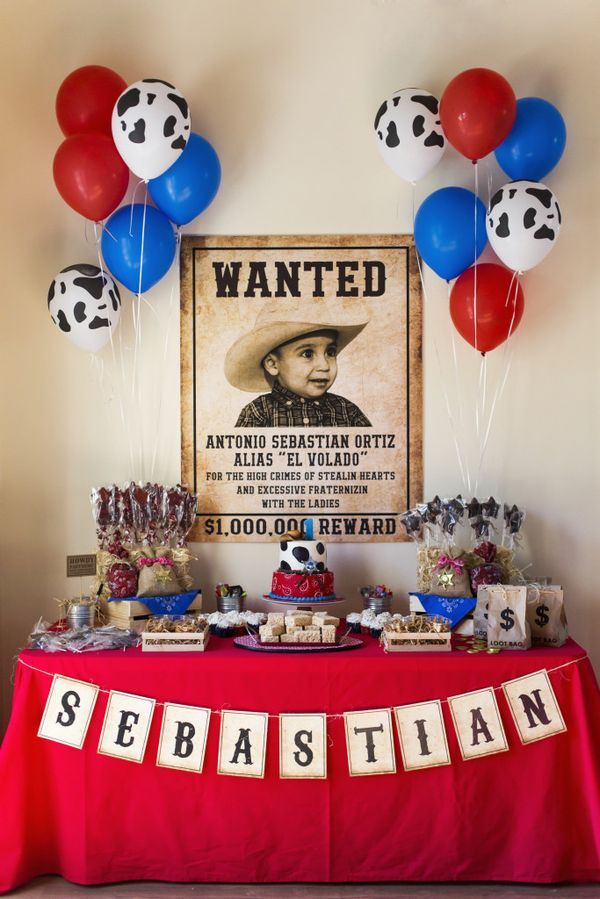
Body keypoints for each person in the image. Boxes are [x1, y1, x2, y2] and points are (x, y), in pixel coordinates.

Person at [224, 299, 371, 427]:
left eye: (330, 353)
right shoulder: (258, 413)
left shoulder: (347, 411)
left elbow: (374, 456)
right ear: (273, 364)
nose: (324, 366)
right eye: (308, 354)